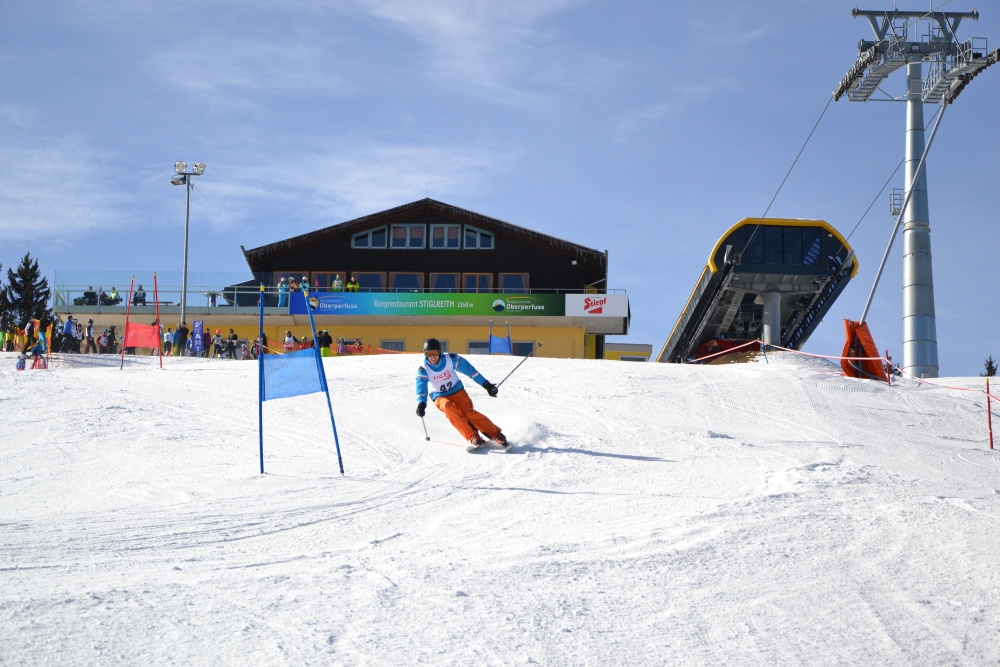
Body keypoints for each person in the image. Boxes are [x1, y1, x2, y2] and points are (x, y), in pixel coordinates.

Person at [415, 337, 508, 450]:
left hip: (457, 390)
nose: (432, 357)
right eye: (428, 354)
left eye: (434, 353)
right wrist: (421, 404)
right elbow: (421, 387)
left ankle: (496, 434)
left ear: (439, 352)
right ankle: (472, 436)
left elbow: (471, 371)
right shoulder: (424, 369)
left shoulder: (450, 359)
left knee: (468, 413)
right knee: (448, 407)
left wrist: (487, 385)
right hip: (439, 395)